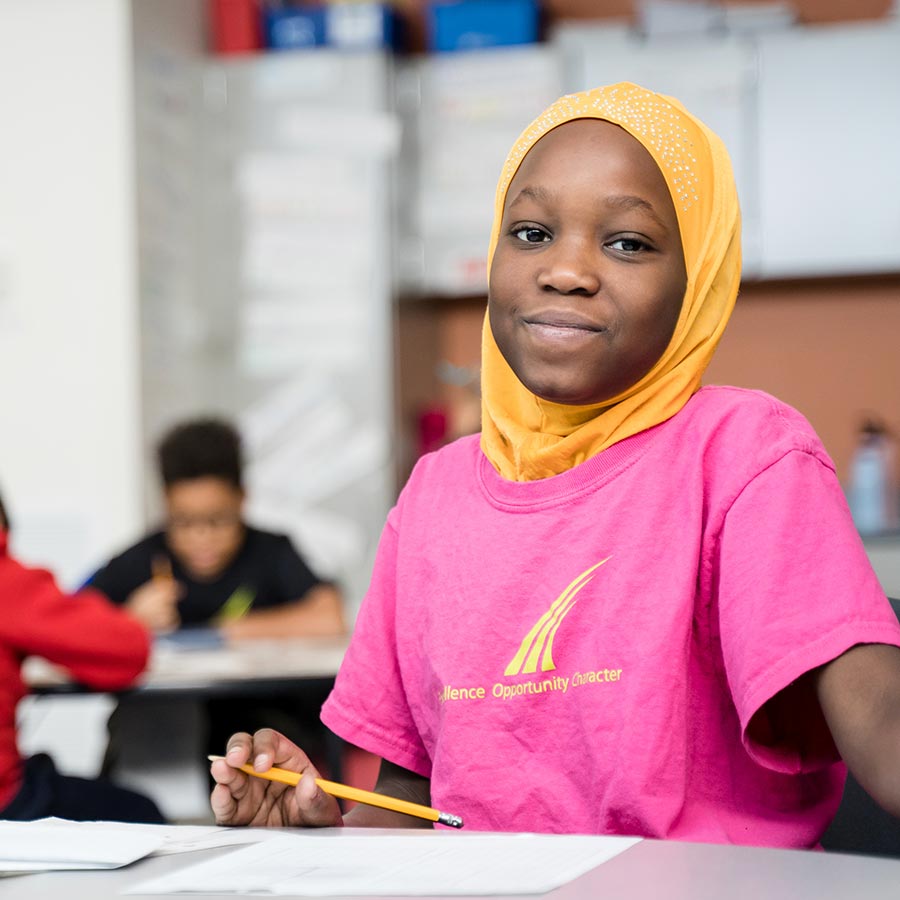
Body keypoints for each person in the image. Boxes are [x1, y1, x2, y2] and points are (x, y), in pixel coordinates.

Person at [209, 83, 900, 848]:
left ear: (697, 280)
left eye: (628, 243)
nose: (565, 271)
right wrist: (319, 830)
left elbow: (880, 721)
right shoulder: (434, 496)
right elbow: (410, 798)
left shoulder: (744, 456)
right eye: (532, 233)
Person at [88, 417, 345, 640]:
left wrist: (224, 633)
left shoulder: (272, 552)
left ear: (242, 498)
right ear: (166, 502)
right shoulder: (141, 559)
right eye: (183, 521)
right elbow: (69, 624)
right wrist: (130, 622)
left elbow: (330, 619)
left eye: (218, 520)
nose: (201, 537)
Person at [0, 489, 165, 822]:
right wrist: (136, 618)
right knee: (142, 813)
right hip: (6, 804)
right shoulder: (7, 581)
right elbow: (127, 650)